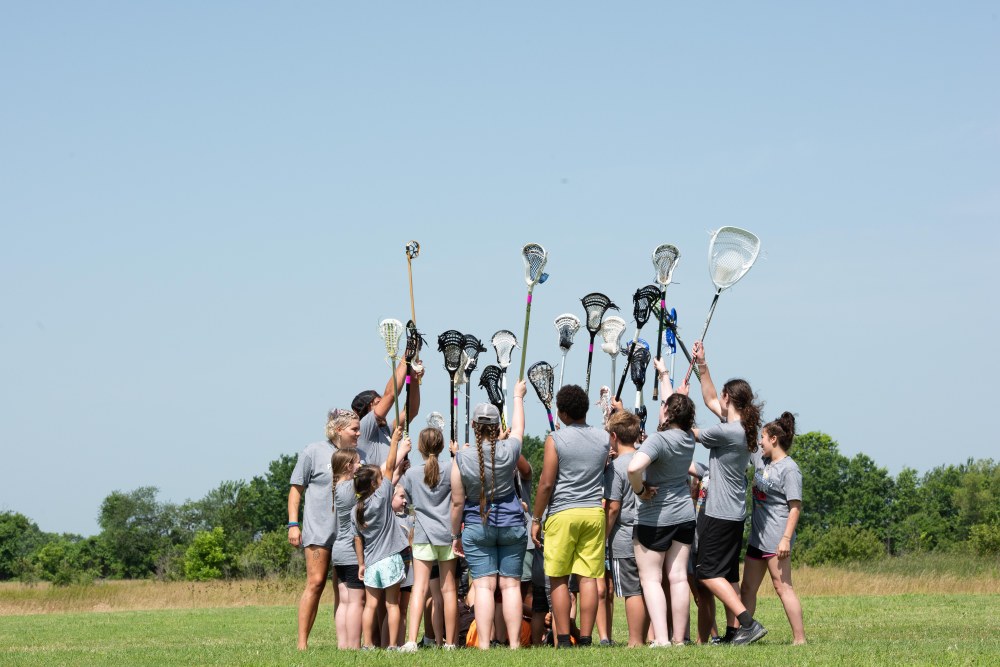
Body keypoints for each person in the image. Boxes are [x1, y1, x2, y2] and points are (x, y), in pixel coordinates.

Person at [688, 340, 768, 646]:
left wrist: (676, 406)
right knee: (729, 576)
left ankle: (747, 623)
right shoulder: (742, 429)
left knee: (706, 573)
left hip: (719, 513)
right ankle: (734, 632)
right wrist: (702, 365)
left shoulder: (727, 432)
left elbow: (691, 431)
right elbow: (709, 397)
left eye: (721, 397)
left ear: (728, 398)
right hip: (734, 515)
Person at [451, 380, 529, 650]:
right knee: (510, 587)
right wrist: (517, 397)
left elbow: (457, 502)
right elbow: (519, 428)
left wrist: (454, 535)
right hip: (512, 526)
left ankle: (484, 644)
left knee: (483, 587)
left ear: (474, 427)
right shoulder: (509, 450)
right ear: (497, 428)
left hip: (476, 526)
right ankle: (515, 644)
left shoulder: (461, 457)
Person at [531, 384, 610, 648]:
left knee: (559, 577)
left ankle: (564, 638)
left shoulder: (555, 439)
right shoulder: (603, 438)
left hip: (563, 513)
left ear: (563, 413)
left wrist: (536, 518)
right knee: (588, 578)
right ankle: (586, 637)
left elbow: (545, 484)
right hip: (593, 512)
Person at [626, 358, 698, 647]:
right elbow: (674, 404)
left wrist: (640, 490)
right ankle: (679, 639)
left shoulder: (657, 440)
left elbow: (633, 468)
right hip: (684, 515)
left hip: (655, 518)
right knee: (678, 578)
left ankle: (662, 639)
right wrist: (663, 374)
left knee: (652, 579)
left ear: (666, 413)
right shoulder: (688, 439)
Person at [288, 407, 360, 650]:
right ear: (338, 430)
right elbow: (296, 489)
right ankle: (302, 643)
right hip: (318, 531)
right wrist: (293, 524)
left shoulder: (355, 456)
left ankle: (345, 643)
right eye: (354, 429)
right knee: (316, 582)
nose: (359, 434)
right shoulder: (313, 451)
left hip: (347, 534)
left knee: (344, 588)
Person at [740, 412, 806, 645]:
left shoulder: (790, 469)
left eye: (763, 438)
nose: (760, 442)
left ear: (774, 440)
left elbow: (795, 508)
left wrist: (786, 539)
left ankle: (800, 639)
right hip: (757, 538)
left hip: (777, 538)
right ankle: (744, 634)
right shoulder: (761, 460)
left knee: (782, 587)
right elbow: (743, 432)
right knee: (747, 588)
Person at [400, 427, 459, 651]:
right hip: (447, 534)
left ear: (419, 447)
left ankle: (411, 641)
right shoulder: (452, 468)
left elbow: (404, 497)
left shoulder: (412, 474)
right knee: (449, 589)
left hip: (424, 535)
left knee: (420, 588)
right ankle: (451, 642)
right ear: (442, 446)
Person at [354, 425, 409, 649]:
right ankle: (393, 645)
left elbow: (357, 538)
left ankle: (367, 644)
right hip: (390, 559)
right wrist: (395, 441)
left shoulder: (355, 509)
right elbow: (390, 471)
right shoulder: (383, 497)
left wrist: (361, 564)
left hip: (372, 561)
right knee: (393, 605)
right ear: (375, 484)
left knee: (370, 606)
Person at [603, 410, 648, 647]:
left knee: (632, 591)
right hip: (649, 534)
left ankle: (635, 640)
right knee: (648, 586)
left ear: (614, 436)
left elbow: (612, 508)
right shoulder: (646, 459)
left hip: (624, 536)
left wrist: (603, 537)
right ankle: (651, 635)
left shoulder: (616, 467)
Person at [353, 362, 422, 467]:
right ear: (366, 411)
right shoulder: (363, 428)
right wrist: (406, 357)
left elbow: (411, 411)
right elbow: (390, 395)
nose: (384, 406)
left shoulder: (386, 430)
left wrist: (413, 380)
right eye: (378, 403)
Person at [330, 447, 364, 649]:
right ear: (347, 466)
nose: (360, 466)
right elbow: (378, 483)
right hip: (352, 554)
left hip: (339, 552)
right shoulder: (350, 487)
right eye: (358, 462)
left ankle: (343, 646)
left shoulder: (338, 488)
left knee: (344, 601)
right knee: (356, 602)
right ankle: (353, 645)